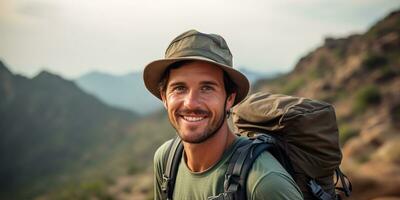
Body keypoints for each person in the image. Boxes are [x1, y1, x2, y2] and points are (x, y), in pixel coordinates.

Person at [143, 30, 303, 200]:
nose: (191, 103)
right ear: (164, 97)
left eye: (207, 88)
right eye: (179, 88)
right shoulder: (166, 161)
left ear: (229, 99)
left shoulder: (264, 184)